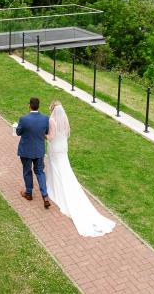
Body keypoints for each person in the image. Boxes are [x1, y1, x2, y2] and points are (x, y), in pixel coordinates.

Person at [46, 101, 116, 237]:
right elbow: (66, 134)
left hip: (55, 148)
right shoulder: (65, 120)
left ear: (53, 110)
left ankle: (54, 189)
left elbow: (51, 137)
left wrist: (44, 136)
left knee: (55, 169)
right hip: (63, 149)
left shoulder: (52, 121)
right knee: (64, 169)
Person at [16, 97, 51, 209]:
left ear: (29, 105)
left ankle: (29, 193)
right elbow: (46, 132)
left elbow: (18, 132)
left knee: (27, 171)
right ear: (38, 106)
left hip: (26, 150)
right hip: (39, 150)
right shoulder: (45, 119)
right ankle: (45, 196)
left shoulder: (24, 119)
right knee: (40, 172)